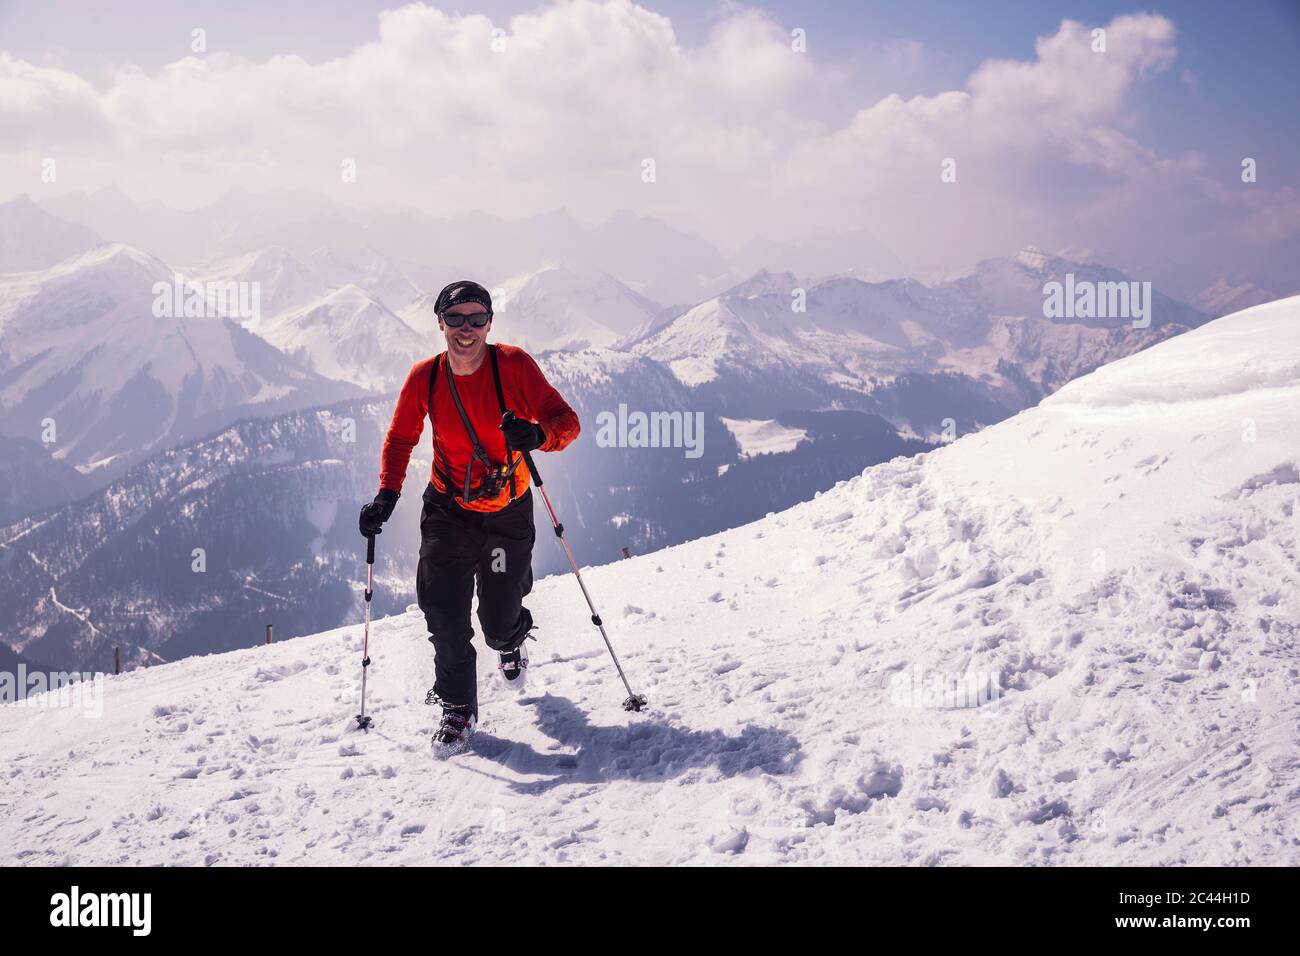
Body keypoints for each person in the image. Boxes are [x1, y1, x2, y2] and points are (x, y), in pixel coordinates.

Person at [358, 280, 580, 754]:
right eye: (455, 318)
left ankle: (511, 638)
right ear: (440, 323)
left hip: (505, 515)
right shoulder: (426, 377)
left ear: (490, 323)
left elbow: (567, 422)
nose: (466, 329)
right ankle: (458, 708)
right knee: (443, 613)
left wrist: (538, 435)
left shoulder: (514, 366)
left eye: (477, 319)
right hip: (447, 510)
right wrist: (386, 496)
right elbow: (401, 439)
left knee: (498, 620)